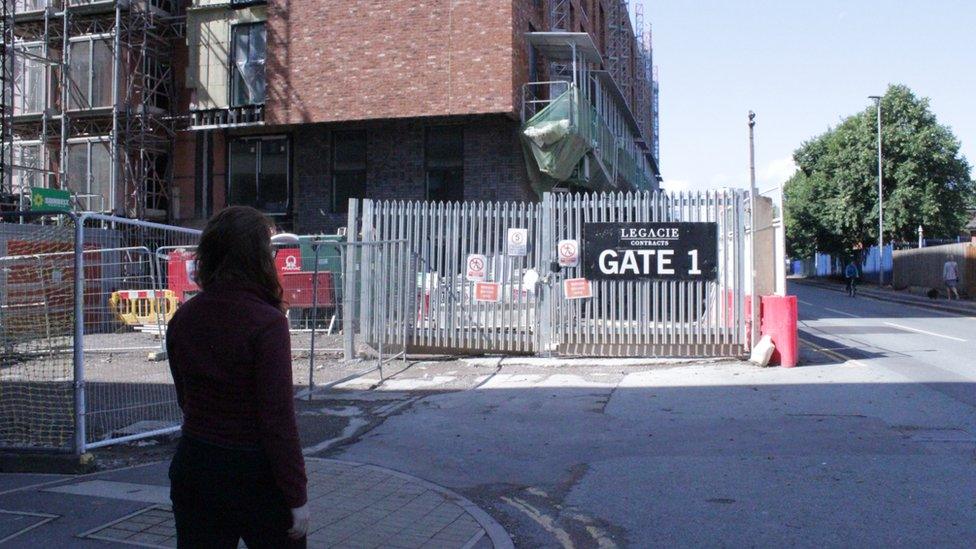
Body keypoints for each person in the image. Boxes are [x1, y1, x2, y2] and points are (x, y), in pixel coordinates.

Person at [167, 206, 309, 548]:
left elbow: (184, 397)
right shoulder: (267, 323)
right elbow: (277, 421)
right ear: (257, 257)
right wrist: (296, 495)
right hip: (255, 474)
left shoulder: (183, 318)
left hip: (196, 465)